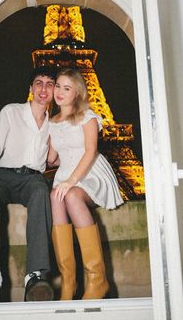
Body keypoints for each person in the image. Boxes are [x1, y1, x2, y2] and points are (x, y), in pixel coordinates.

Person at [0, 66, 57, 303]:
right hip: (3, 175)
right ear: (31, 88)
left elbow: (52, 160)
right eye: (39, 83)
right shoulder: (11, 111)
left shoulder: (55, 124)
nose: (44, 88)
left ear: (54, 91)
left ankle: (34, 276)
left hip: (33, 179)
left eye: (50, 84)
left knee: (40, 191)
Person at [47, 68, 124, 300]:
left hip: (90, 172)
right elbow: (53, 158)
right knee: (54, 196)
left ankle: (97, 279)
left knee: (70, 195)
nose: (60, 92)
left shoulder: (87, 116)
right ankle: (68, 282)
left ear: (77, 93)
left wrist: (71, 181)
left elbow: (90, 152)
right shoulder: (52, 121)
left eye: (67, 88)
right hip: (66, 173)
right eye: (58, 86)